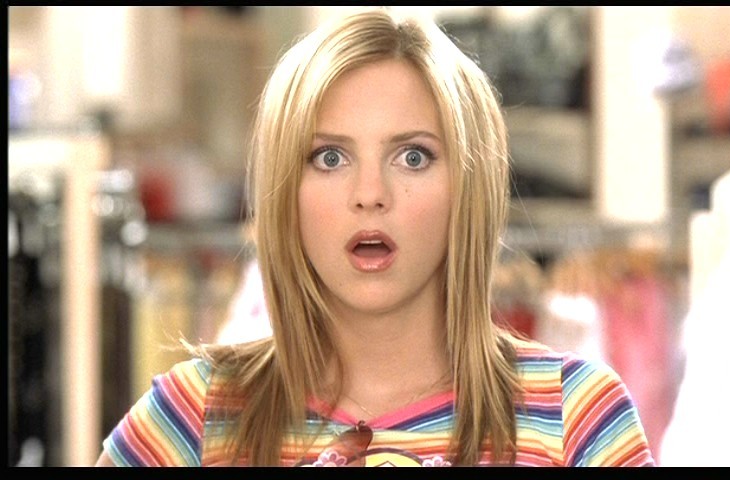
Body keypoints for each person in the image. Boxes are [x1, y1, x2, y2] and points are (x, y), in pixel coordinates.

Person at [95, 7, 655, 467]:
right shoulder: (193, 418)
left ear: (469, 187)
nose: (369, 194)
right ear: (284, 189)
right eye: (329, 157)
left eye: (413, 157)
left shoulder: (575, 416)